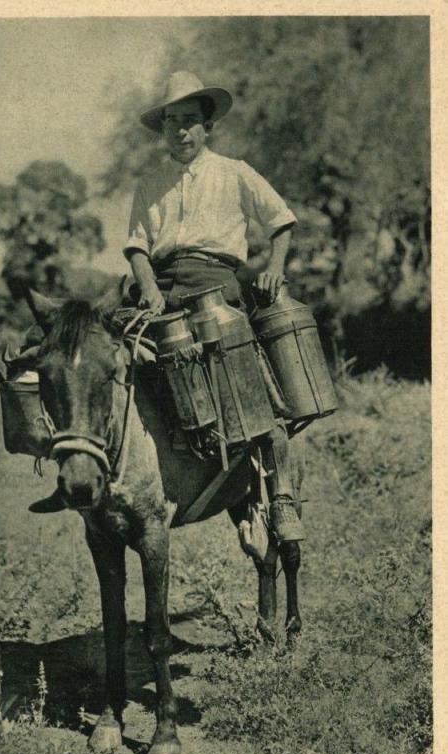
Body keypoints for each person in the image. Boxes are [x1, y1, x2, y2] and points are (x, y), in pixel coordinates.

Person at [124, 71, 304, 542]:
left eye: (189, 121)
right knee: (108, 360)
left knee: (250, 380)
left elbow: (281, 221)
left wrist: (274, 269)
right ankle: (117, 477)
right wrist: (148, 288)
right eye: (171, 122)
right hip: (160, 288)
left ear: (208, 127)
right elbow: (138, 246)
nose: (180, 131)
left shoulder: (235, 172)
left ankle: (281, 494)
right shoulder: (150, 184)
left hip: (215, 284)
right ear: (162, 130)